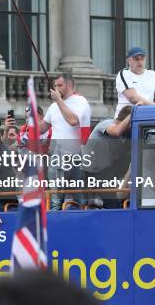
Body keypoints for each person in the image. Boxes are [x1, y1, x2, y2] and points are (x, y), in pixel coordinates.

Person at [40, 73, 91, 210]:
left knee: (80, 199)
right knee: (56, 200)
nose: (56, 88)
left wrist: (58, 101)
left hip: (77, 158)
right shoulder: (53, 107)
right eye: (55, 85)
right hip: (58, 156)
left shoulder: (80, 101)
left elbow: (73, 120)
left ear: (69, 85)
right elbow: (42, 128)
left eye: (59, 85)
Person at [82, 105, 133, 208]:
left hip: (108, 171)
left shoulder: (125, 134)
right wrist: (132, 114)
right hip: (93, 172)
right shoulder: (107, 124)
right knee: (113, 203)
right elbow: (116, 131)